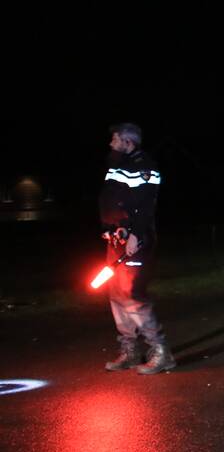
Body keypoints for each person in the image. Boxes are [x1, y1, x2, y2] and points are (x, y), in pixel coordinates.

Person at [98, 122, 175, 374]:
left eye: (115, 139)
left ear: (127, 142)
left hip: (135, 241)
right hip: (116, 240)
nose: (111, 143)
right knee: (116, 294)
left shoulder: (145, 166)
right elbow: (110, 201)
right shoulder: (117, 165)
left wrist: (136, 234)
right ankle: (129, 351)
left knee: (132, 294)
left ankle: (161, 352)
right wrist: (109, 227)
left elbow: (146, 205)